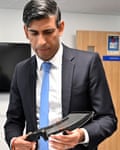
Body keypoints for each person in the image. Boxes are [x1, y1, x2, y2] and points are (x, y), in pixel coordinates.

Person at [4, 0, 117, 150]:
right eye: (34, 33)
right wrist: (14, 141)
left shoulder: (88, 63)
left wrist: (81, 135)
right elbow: (13, 121)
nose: (41, 42)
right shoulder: (21, 70)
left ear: (60, 27)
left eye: (48, 32)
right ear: (26, 31)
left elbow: (108, 118)